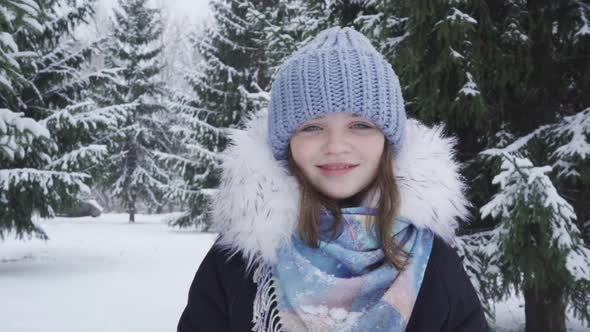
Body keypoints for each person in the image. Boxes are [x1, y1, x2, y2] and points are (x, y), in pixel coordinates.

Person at [177, 26, 489, 332]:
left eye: (360, 125)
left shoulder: (432, 260)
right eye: (313, 127)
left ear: (387, 140)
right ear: (287, 143)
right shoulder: (241, 260)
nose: (336, 146)